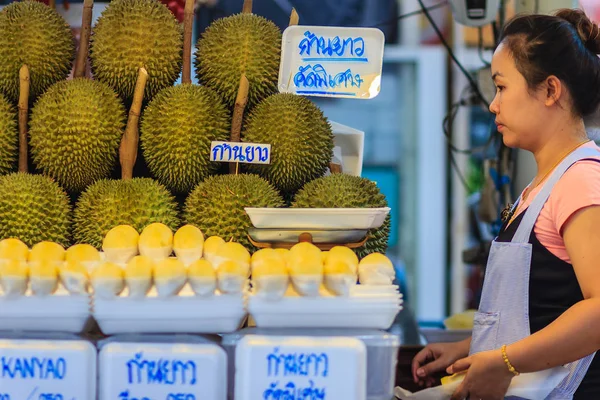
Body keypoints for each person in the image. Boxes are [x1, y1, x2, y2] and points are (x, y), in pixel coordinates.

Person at [411, 8, 600, 400]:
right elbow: (542, 312)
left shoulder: (581, 182)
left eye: (501, 87)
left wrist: (504, 362)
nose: (493, 105)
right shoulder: (543, 186)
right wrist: (469, 350)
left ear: (550, 90)